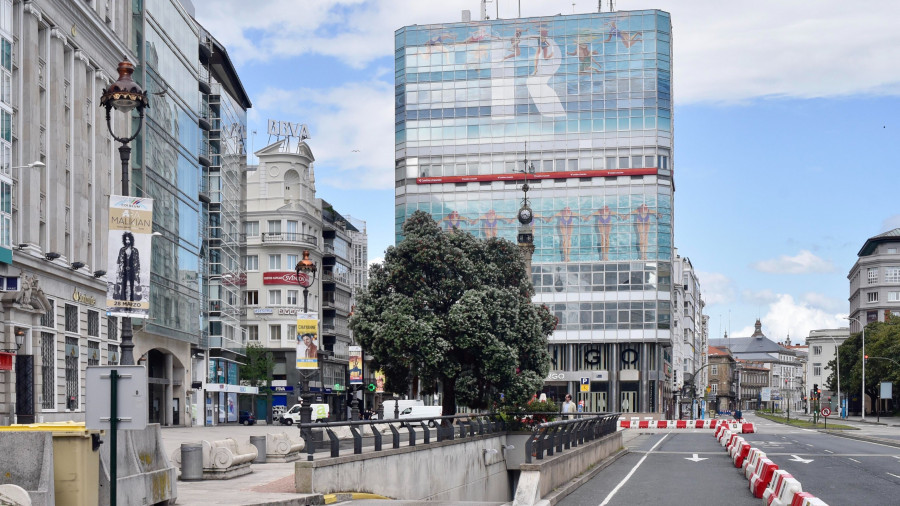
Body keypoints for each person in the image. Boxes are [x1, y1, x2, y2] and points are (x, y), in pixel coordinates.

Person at [113, 231, 141, 302]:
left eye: (128, 239)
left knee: (133, 285)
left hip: (133, 270)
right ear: (124, 240)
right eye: (126, 239)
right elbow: (118, 261)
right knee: (122, 285)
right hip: (123, 270)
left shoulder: (135, 250)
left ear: (131, 240)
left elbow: (138, 262)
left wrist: (138, 273)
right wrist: (117, 271)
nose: (127, 241)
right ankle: (121, 298)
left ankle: (134, 298)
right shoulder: (122, 250)